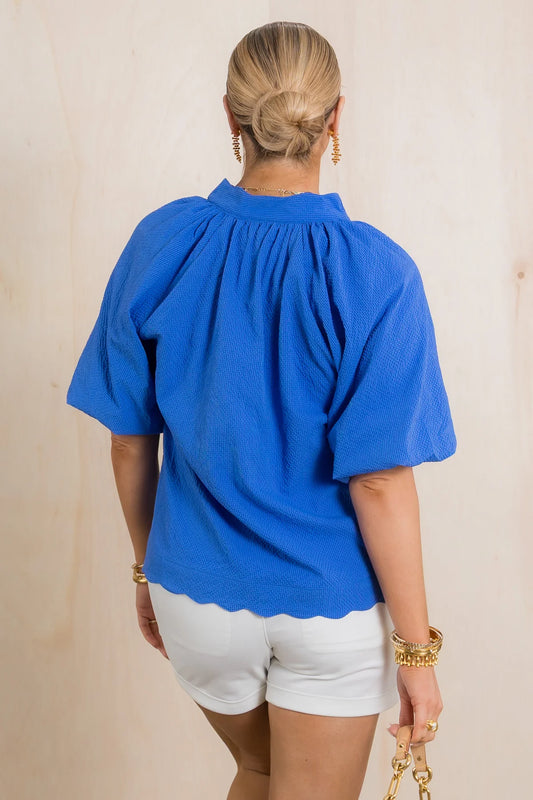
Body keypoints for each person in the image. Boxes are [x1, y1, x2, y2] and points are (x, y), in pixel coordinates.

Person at [66, 20, 456, 800]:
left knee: (258, 769)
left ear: (230, 115)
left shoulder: (163, 242)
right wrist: (416, 655)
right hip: (325, 608)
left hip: (194, 597)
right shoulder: (377, 273)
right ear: (335, 118)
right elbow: (378, 482)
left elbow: (129, 441)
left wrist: (147, 569)